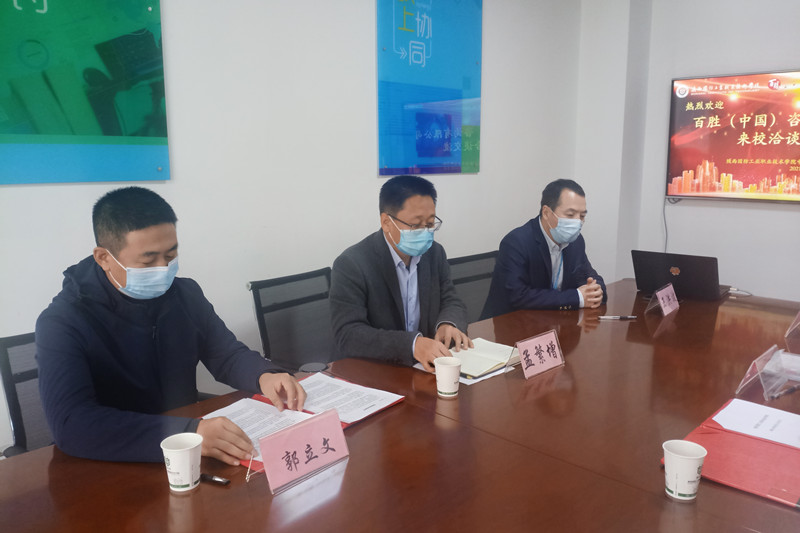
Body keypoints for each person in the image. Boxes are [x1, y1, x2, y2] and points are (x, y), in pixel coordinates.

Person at [36, 187, 306, 464]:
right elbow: (72, 424)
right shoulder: (63, 322)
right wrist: (187, 433)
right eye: (148, 259)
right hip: (111, 461)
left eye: (170, 256)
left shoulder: (185, 295)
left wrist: (265, 375)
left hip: (189, 453)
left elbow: (226, 355)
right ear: (104, 258)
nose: (163, 269)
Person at [329, 175, 472, 371]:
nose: (425, 232)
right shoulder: (352, 264)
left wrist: (448, 324)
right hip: (374, 371)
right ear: (386, 222)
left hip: (424, 368)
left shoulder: (434, 253)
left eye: (430, 224)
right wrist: (412, 345)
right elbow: (348, 334)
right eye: (415, 225)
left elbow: (451, 299)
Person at [481, 179, 606, 318]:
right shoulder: (516, 242)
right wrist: (577, 297)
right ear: (546, 213)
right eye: (570, 215)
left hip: (556, 322)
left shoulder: (575, 241)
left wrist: (596, 291)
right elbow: (518, 296)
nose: (578, 222)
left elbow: (589, 275)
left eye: (582, 216)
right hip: (514, 323)